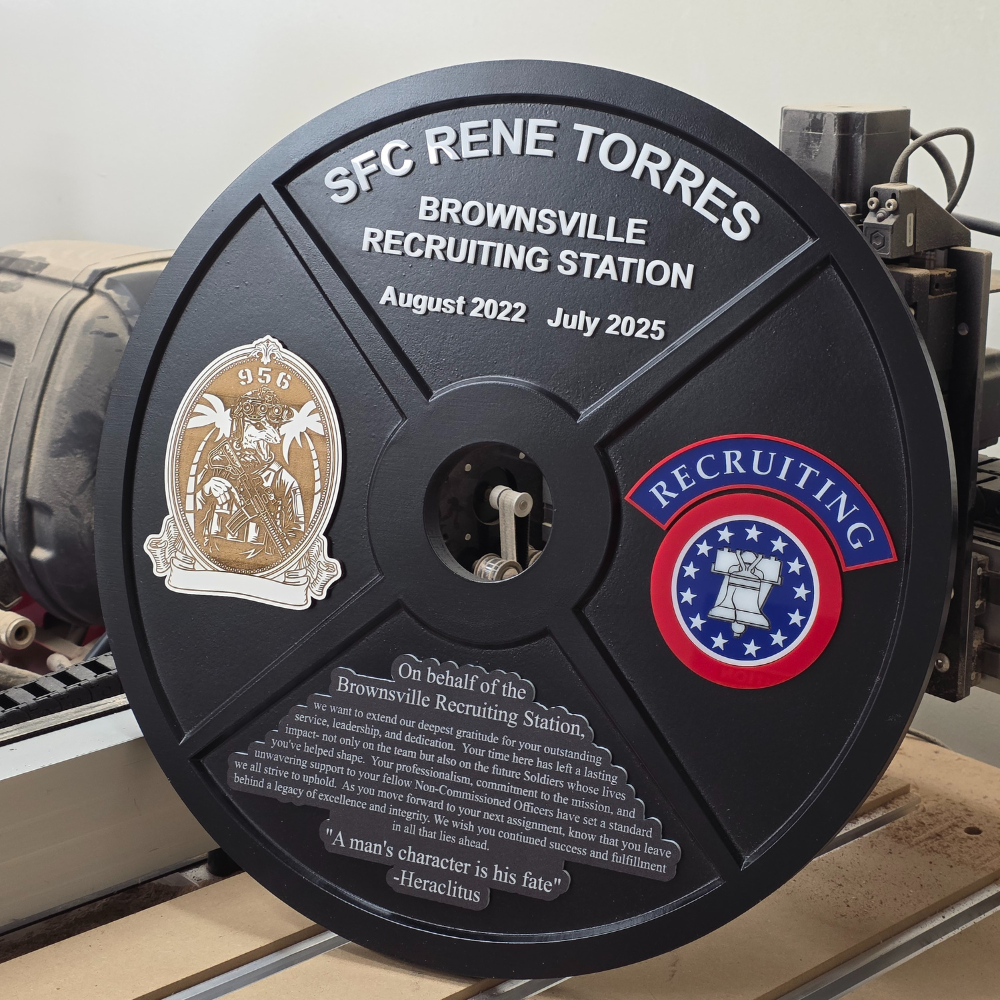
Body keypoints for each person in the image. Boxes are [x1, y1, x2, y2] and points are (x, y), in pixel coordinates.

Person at [195, 388, 305, 562]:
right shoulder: (217, 466)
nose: (246, 436)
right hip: (210, 557)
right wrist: (205, 491)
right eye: (251, 426)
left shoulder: (284, 481)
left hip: (262, 564)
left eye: (260, 428)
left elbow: (298, 535)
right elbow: (189, 511)